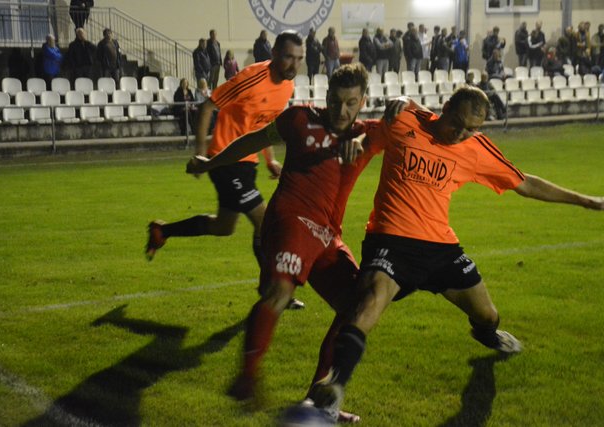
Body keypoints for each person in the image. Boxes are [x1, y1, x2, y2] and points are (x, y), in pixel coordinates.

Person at [307, 86, 604, 422]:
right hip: (391, 241)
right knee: (370, 303)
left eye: (472, 129)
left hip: (440, 249)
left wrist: (587, 200)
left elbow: (525, 183)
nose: (461, 134)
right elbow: (368, 140)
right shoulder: (404, 119)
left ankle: (487, 334)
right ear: (445, 107)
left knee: (489, 315)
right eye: (458, 123)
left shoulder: (474, 148)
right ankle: (335, 386)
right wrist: (362, 140)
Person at [185, 64, 381, 414]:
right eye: (336, 101)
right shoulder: (300, 119)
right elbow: (253, 140)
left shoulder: (367, 133)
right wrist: (209, 163)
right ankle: (246, 377)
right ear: (326, 97)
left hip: (326, 235)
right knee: (280, 290)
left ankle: (318, 401)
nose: (343, 110)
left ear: (363, 101)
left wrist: (374, 127)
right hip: (290, 218)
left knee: (356, 306)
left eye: (352, 103)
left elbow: (404, 126)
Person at [145, 31, 305, 308]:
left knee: (223, 227)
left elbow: (264, 128)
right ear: (275, 54)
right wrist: (199, 154)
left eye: (299, 58)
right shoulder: (252, 78)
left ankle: (162, 231)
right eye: (289, 57)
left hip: (247, 163)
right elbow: (207, 107)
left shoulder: (287, 88)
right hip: (224, 159)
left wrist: (270, 160)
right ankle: (271, 288)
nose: (294, 64)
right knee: (264, 222)